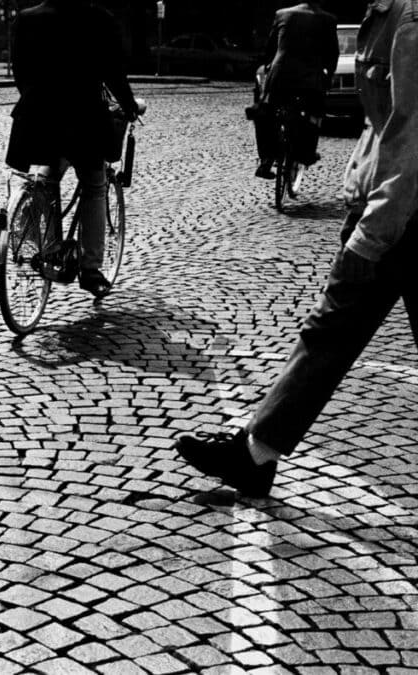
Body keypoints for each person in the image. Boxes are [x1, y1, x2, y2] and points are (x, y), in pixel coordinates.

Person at [174, 1, 418, 498]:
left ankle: (255, 454)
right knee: (330, 331)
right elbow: (384, 123)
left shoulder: (409, 18)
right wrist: (359, 182)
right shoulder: (384, 14)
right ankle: (256, 453)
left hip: (401, 215)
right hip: (389, 205)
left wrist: (372, 230)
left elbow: (413, 134)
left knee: (330, 330)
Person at [5, 0, 139, 298]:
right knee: (94, 184)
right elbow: (113, 73)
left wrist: (36, 100)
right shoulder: (98, 19)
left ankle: (49, 251)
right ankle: (90, 270)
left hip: (37, 118)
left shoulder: (27, 19)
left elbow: (20, 72)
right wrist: (129, 106)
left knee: (46, 178)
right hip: (83, 118)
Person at [251, 1, 339, 179]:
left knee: (265, 112)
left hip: (281, 74)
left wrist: (268, 67)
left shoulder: (282, 14)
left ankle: (266, 161)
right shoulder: (328, 19)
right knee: (315, 113)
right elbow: (332, 53)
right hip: (310, 77)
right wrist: (328, 76)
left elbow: (270, 48)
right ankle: (307, 153)